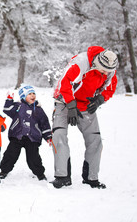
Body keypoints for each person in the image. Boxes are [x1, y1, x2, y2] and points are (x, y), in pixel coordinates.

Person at [51, 46, 118, 189]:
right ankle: (62, 177)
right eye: (103, 70)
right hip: (64, 101)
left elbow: (111, 87)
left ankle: (91, 178)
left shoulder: (110, 69)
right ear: (97, 63)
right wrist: (71, 105)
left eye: (108, 71)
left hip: (86, 105)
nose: (106, 73)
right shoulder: (81, 63)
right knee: (59, 136)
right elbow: (65, 83)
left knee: (95, 140)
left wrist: (100, 99)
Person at [0, 85, 53, 181]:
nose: (32, 96)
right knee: (10, 154)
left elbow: (44, 123)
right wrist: (9, 99)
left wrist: (48, 136)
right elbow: (7, 109)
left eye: (33, 94)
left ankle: (40, 174)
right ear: (23, 97)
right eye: (29, 94)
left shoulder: (38, 109)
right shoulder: (18, 106)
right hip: (17, 136)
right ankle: (4, 171)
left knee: (33, 158)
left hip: (32, 138)